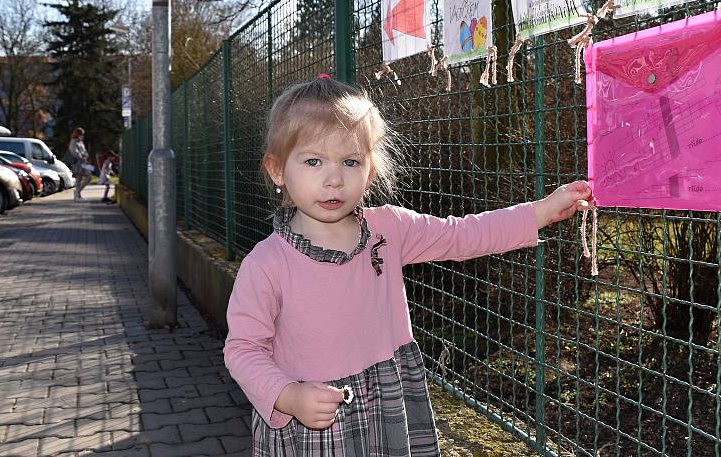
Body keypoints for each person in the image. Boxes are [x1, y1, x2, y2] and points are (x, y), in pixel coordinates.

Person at [223, 75, 593, 456]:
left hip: (387, 409)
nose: (333, 179)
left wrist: (541, 212)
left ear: (369, 170)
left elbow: (462, 235)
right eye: (313, 161)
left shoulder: (389, 229)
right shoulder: (266, 264)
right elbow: (243, 349)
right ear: (278, 170)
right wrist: (288, 395)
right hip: (312, 425)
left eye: (350, 161)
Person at [68, 127, 91, 201]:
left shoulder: (80, 141)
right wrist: (82, 157)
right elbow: (75, 152)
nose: (83, 136)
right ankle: (77, 194)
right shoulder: (73, 141)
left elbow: (84, 151)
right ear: (78, 134)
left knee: (86, 177)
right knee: (80, 178)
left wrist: (86, 156)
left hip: (83, 162)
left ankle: (78, 194)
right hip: (78, 163)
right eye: (82, 134)